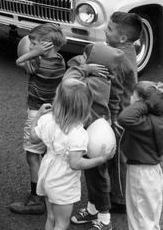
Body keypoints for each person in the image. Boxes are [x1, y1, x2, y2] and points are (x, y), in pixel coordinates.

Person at [30, 79, 115, 230]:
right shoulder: (79, 134)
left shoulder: (47, 119)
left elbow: (33, 137)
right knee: (62, 223)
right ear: (84, 107)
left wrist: (37, 116)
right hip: (62, 182)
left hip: (46, 174)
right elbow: (75, 163)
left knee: (51, 217)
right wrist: (100, 159)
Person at [65, 41, 130, 230]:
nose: (83, 60)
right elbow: (114, 99)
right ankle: (93, 210)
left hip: (92, 136)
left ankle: (104, 218)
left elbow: (67, 82)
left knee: (97, 178)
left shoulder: (90, 81)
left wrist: (83, 68)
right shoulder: (107, 79)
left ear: (96, 63)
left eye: (87, 58)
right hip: (100, 130)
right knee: (94, 175)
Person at [9, 23, 67, 216]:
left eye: (33, 42)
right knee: (48, 153)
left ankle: (36, 199)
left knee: (33, 155)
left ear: (46, 44)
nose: (30, 45)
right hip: (54, 113)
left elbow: (19, 61)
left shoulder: (37, 63)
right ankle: (46, 191)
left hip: (37, 113)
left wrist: (35, 53)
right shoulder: (60, 60)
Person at [104, 11, 142, 213]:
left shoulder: (118, 59)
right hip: (130, 111)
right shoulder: (128, 50)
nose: (105, 30)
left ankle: (119, 200)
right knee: (122, 157)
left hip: (120, 116)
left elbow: (115, 94)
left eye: (109, 29)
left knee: (118, 159)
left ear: (123, 38)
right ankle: (121, 193)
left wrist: (112, 120)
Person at [117, 80, 163, 230]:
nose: (129, 98)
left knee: (140, 219)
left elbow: (124, 118)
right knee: (151, 218)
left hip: (141, 174)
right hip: (154, 172)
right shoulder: (157, 122)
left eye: (132, 96)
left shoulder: (145, 124)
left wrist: (144, 102)